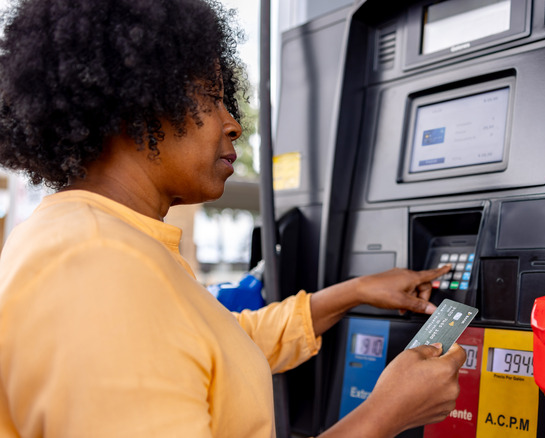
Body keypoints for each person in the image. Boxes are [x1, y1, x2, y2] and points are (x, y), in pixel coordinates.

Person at [0, 0, 466, 437]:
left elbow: (214, 347)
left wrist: (354, 292)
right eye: (211, 96)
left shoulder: (88, 238)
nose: (233, 123)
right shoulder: (99, 266)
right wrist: (386, 413)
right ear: (136, 103)